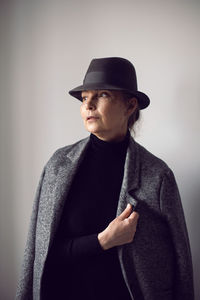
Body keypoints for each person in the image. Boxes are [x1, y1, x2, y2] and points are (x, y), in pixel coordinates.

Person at [16, 57, 194, 300]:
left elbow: (180, 263)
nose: (88, 105)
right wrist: (103, 241)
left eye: (101, 95)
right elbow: (39, 253)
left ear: (130, 106)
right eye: (84, 97)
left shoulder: (157, 175)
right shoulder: (58, 166)